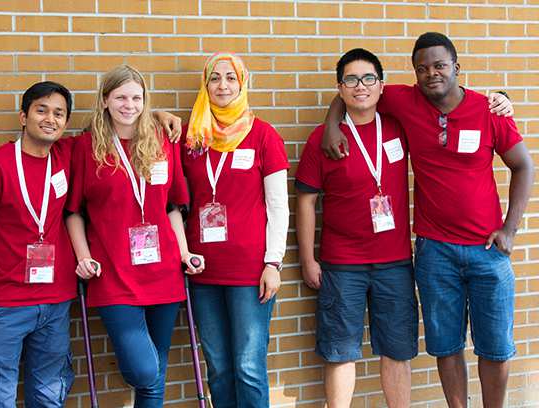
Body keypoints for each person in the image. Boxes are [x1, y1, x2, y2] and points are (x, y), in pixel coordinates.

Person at [319, 32, 533, 408]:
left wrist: (509, 229)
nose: (432, 73)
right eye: (422, 68)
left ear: (456, 67)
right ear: (415, 73)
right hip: (435, 252)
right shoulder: (405, 100)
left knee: (496, 347)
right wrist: (332, 125)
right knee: (445, 345)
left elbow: (524, 166)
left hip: (487, 251)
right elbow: (354, 91)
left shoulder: (487, 110)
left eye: (439, 65)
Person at [64, 65, 202, 407]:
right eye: (121, 97)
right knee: (145, 370)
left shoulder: (162, 142)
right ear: (105, 100)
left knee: (154, 381)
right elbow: (73, 211)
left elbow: (173, 206)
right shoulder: (85, 147)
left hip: (164, 271)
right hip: (113, 274)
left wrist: (184, 253)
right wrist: (84, 256)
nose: (129, 105)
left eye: (137, 98)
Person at [295, 48, 416, 408]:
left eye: (368, 78)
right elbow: (306, 202)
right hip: (342, 264)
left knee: (397, 350)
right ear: (340, 88)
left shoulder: (399, 127)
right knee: (340, 352)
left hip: (395, 262)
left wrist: (500, 99)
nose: (360, 86)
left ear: (381, 85)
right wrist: (307, 259)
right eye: (350, 79)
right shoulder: (322, 139)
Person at [0, 81, 77, 408]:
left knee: (49, 397)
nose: (50, 119)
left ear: (66, 122)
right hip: (5, 304)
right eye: (41, 110)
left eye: (59, 113)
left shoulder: (67, 155)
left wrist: (160, 115)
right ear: (23, 117)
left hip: (56, 301)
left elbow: (120, 122)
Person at [180, 52, 289, 408]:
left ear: (242, 84)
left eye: (231, 78)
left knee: (248, 367)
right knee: (219, 368)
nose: (222, 85)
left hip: (250, 273)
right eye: (214, 78)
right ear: (205, 85)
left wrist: (273, 263)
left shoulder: (263, 135)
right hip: (203, 271)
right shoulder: (192, 137)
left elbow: (278, 206)